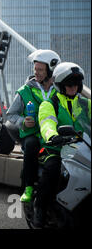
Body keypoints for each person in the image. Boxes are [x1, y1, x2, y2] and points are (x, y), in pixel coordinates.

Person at [35, 62, 90, 228]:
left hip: (83, 147)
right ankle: (41, 209)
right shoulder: (49, 104)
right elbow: (47, 122)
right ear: (60, 85)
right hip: (55, 148)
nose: (73, 87)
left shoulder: (86, 104)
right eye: (69, 84)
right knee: (52, 169)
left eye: (76, 83)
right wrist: (53, 135)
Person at [6, 49, 60, 203]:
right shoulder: (25, 90)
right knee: (30, 145)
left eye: (40, 70)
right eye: (35, 69)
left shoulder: (60, 90)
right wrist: (22, 122)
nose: (36, 72)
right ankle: (28, 187)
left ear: (51, 71)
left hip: (53, 134)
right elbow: (11, 114)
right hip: (33, 134)